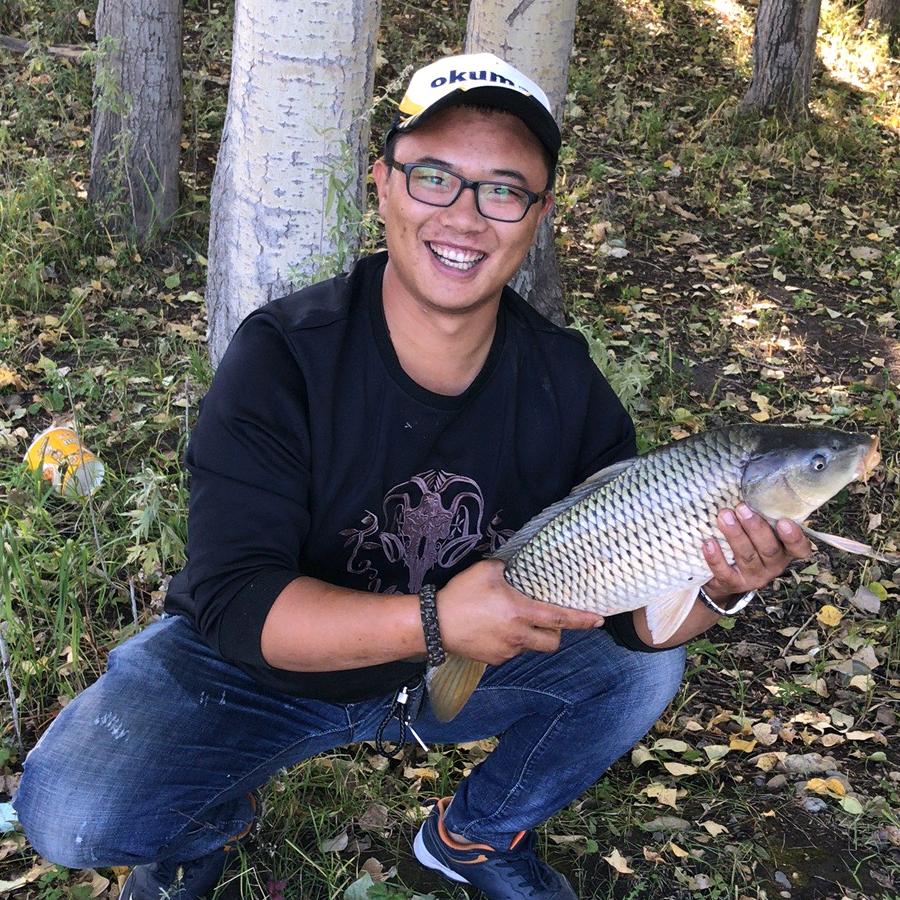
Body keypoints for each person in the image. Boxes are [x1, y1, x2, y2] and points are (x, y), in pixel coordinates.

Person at [14, 53, 811, 900]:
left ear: (536, 217)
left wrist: (720, 589)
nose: (466, 218)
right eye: (435, 177)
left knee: (641, 673)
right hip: (259, 672)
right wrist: (436, 621)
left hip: (469, 666)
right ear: (384, 184)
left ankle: (469, 839)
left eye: (504, 190)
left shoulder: (566, 388)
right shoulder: (283, 358)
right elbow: (237, 603)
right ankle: (199, 825)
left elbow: (634, 628)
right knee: (70, 813)